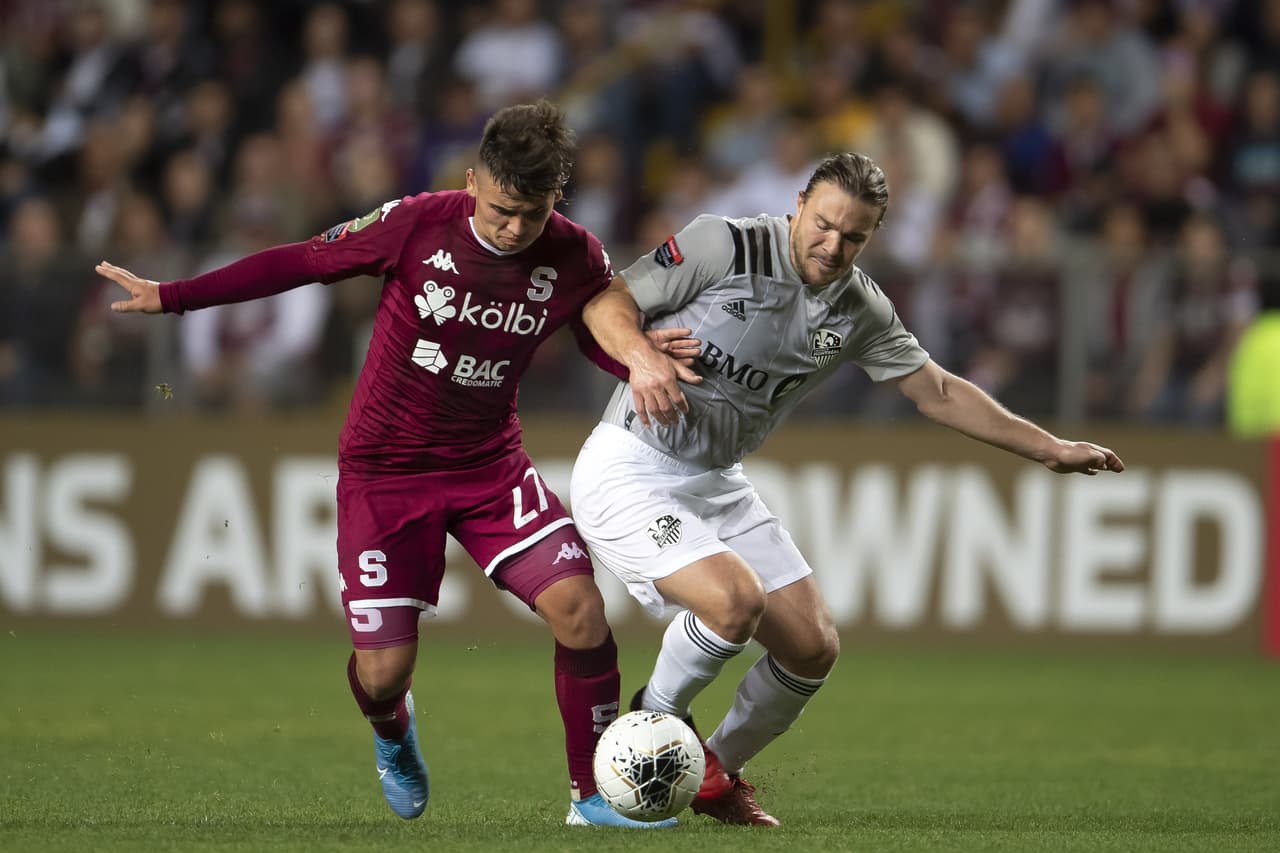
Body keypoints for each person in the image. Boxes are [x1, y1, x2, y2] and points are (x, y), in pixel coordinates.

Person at [97, 100, 697, 829]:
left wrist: (638, 363)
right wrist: (174, 295)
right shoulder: (416, 222)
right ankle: (391, 727)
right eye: (503, 209)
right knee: (383, 672)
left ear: (555, 201)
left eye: (532, 215)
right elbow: (303, 260)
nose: (514, 228)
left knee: (579, 608)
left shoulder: (576, 253)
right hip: (386, 473)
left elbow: (593, 337)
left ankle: (592, 793)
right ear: (474, 179)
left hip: (489, 466)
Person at [570, 152, 1126, 826]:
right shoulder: (725, 242)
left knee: (811, 646)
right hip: (631, 463)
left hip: (714, 479)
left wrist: (1051, 447)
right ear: (799, 204)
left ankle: (716, 771)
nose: (833, 246)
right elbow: (608, 300)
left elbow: (939, 391)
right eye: (825, 225)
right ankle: (653, 725)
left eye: (854, 236)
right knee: (734, 603)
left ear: (873, 236)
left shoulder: (859, 306)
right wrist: (642, 354)